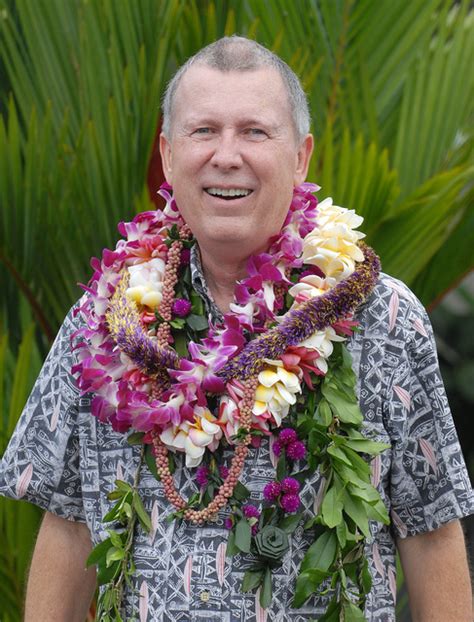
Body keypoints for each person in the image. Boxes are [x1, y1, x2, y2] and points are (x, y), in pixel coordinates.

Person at [1, 36, 473, 622]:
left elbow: (431, 533)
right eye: (204, 131)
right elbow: (69, 528)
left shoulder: (384, 319)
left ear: (300, 157)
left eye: (255, 131)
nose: (227, 156)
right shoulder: (102, 322)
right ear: (169, 156)